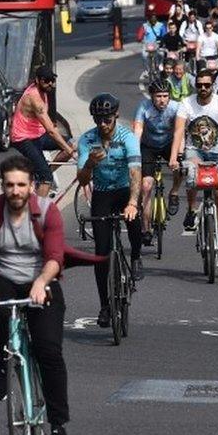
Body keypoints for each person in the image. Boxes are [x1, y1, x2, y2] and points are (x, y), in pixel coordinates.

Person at [0, 155, 78, 435]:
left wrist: (42, 282)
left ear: (31, 186)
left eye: (21, 185)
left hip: (41, 280)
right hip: (2, 278)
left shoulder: (47, 212)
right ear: (3, 186)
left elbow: (55, 255)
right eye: (9, 185)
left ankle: (58, 428)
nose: (15, 191)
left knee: (49, 351)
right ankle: (1, 366)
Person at [76, 93, 144, 325]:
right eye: (98, 120)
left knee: (135, 224)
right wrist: (90, 163)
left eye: (107, 119)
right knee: (101, 254)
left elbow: (136, 172)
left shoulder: (128, 137)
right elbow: (83, 180)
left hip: (126, 189)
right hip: (103, 194)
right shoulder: (87, 139)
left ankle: (135, 257)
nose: (102, 125)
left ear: (115, 115)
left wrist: (133, 203)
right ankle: (105, 306)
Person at [169, 68, 218, 268]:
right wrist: (174, 157)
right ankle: (192, 209)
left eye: (207, 85)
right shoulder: (186, 103)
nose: (203, 88)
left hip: (217, 153)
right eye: (200, 85)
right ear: (196, 86)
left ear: (213, 86)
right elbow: (178, 132)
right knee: (191, 172)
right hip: (195, 151)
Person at [10, 66, 77, 198]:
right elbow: (51, 131)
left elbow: (49, 123)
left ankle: (42, 174)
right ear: (37, 80)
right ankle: (36, 215)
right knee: (47, 178)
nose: (50, 83)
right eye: (46, 80)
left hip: (37, 135)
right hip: (23, 138)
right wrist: (71, 153)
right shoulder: (34, 98)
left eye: (52, 80)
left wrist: (69, 149)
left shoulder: (44, 91)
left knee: (70, 143)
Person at [132, 80, 183, 235]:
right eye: (158, 96)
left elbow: (180, 133)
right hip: (149, 146)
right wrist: (134, 153)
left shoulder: (176, 107)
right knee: (146, 186)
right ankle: (146, 227)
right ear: (152, 96)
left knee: (180, 168)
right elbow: (138, 130)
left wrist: (178, 154)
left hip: (169, 144)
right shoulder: (144, 107)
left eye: (165, 96)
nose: (162, 100)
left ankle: (174, 192)